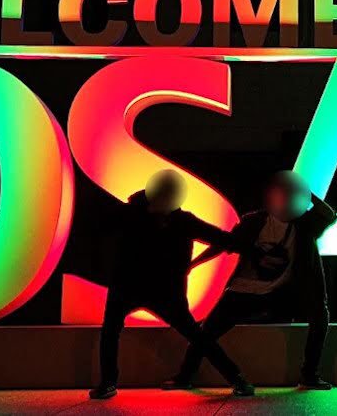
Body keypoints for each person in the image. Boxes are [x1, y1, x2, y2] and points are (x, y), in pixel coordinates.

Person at [165, 171, 337, 390]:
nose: (285, 200)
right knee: (206, 331)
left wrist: (305, 193)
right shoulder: (253, 221)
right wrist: (194, 263)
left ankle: (309, 375)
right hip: (245, 290)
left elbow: (329, 215)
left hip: (285, 291)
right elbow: (224, 243)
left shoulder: (305, 224)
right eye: (282, 194)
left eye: (290, 195)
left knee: (320, 315)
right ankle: (185, 376)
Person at [90, 170, 255, 400]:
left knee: (194, 335)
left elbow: (221, 238)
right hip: (141, 288)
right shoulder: (138, 213)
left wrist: (248, 244)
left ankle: (237, 378)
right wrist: (248, 245)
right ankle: (237, 378)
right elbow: (221, 238)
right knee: (194, 335)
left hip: (153, 290)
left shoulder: (168, 218)